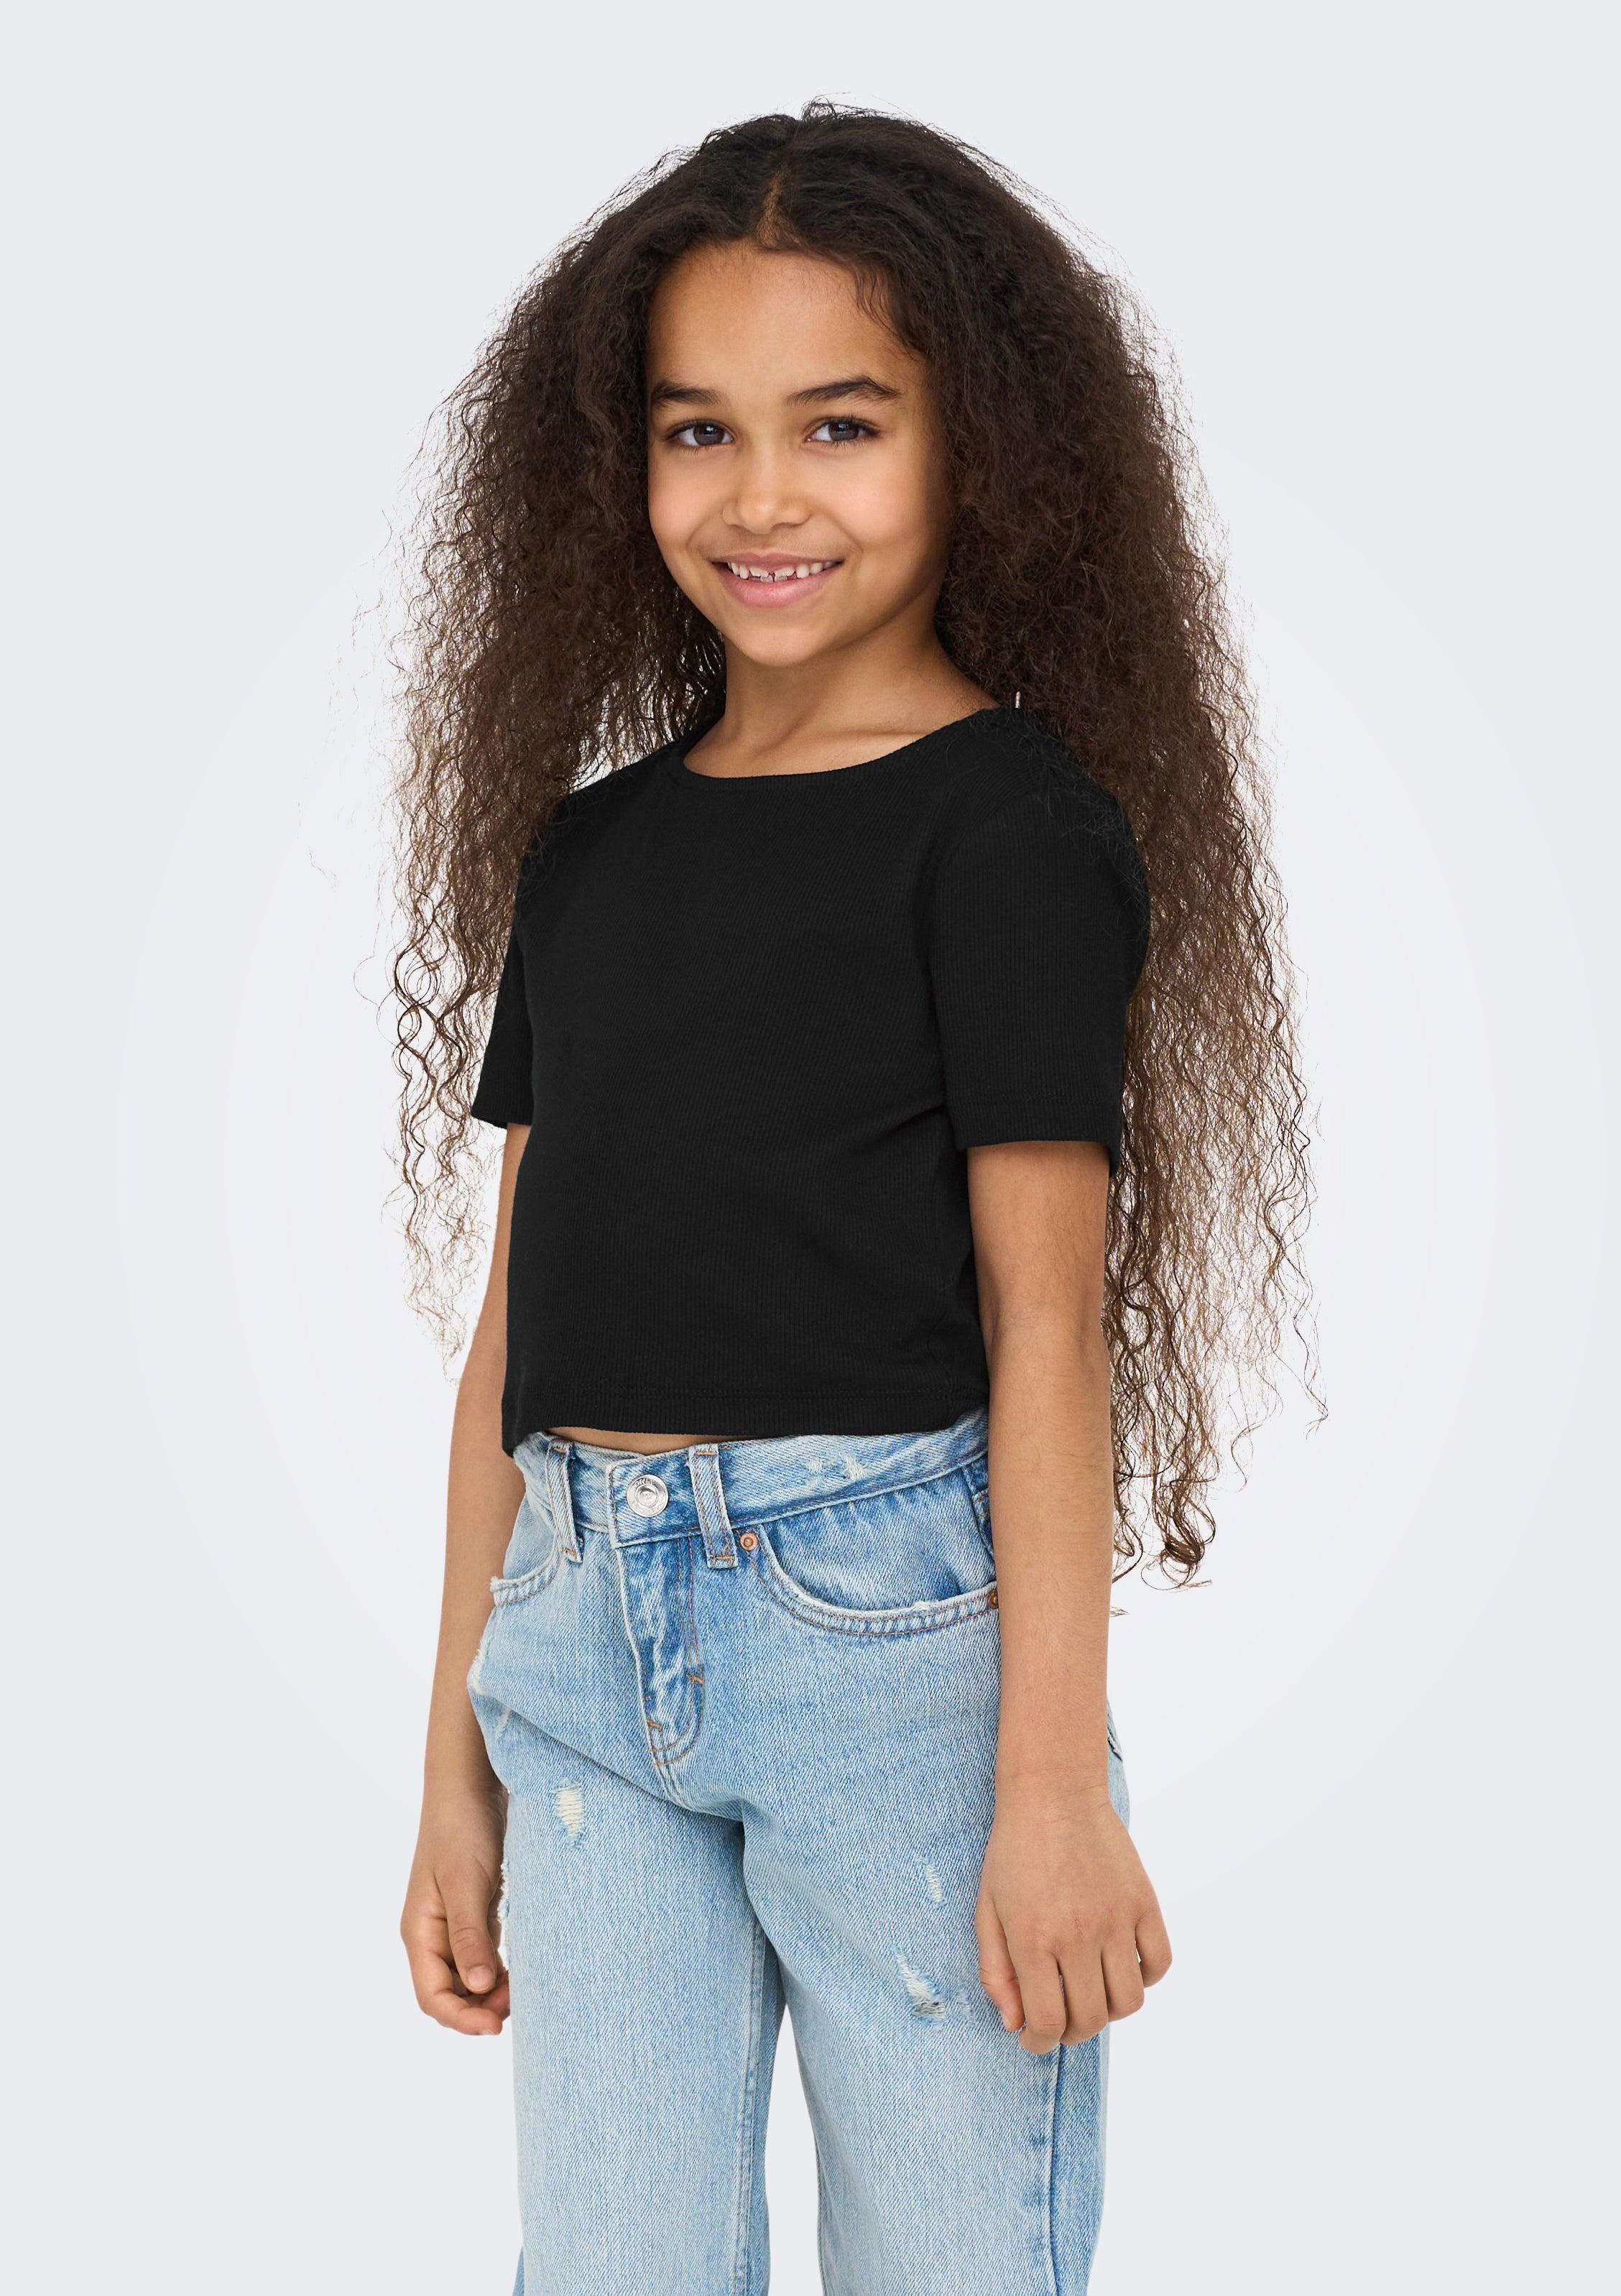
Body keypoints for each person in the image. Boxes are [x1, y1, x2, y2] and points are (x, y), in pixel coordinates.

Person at [389, 101, 1313, 2295]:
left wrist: (1052, 1785)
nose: (762, 495)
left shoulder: (1006, 832)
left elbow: (1048, 1324)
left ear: (978, 449)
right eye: (699, 430)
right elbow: (515, 1331)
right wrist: (449, 1758)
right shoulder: (592, 854)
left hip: (891, 1653)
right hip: (580, 1643)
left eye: (840, 424)